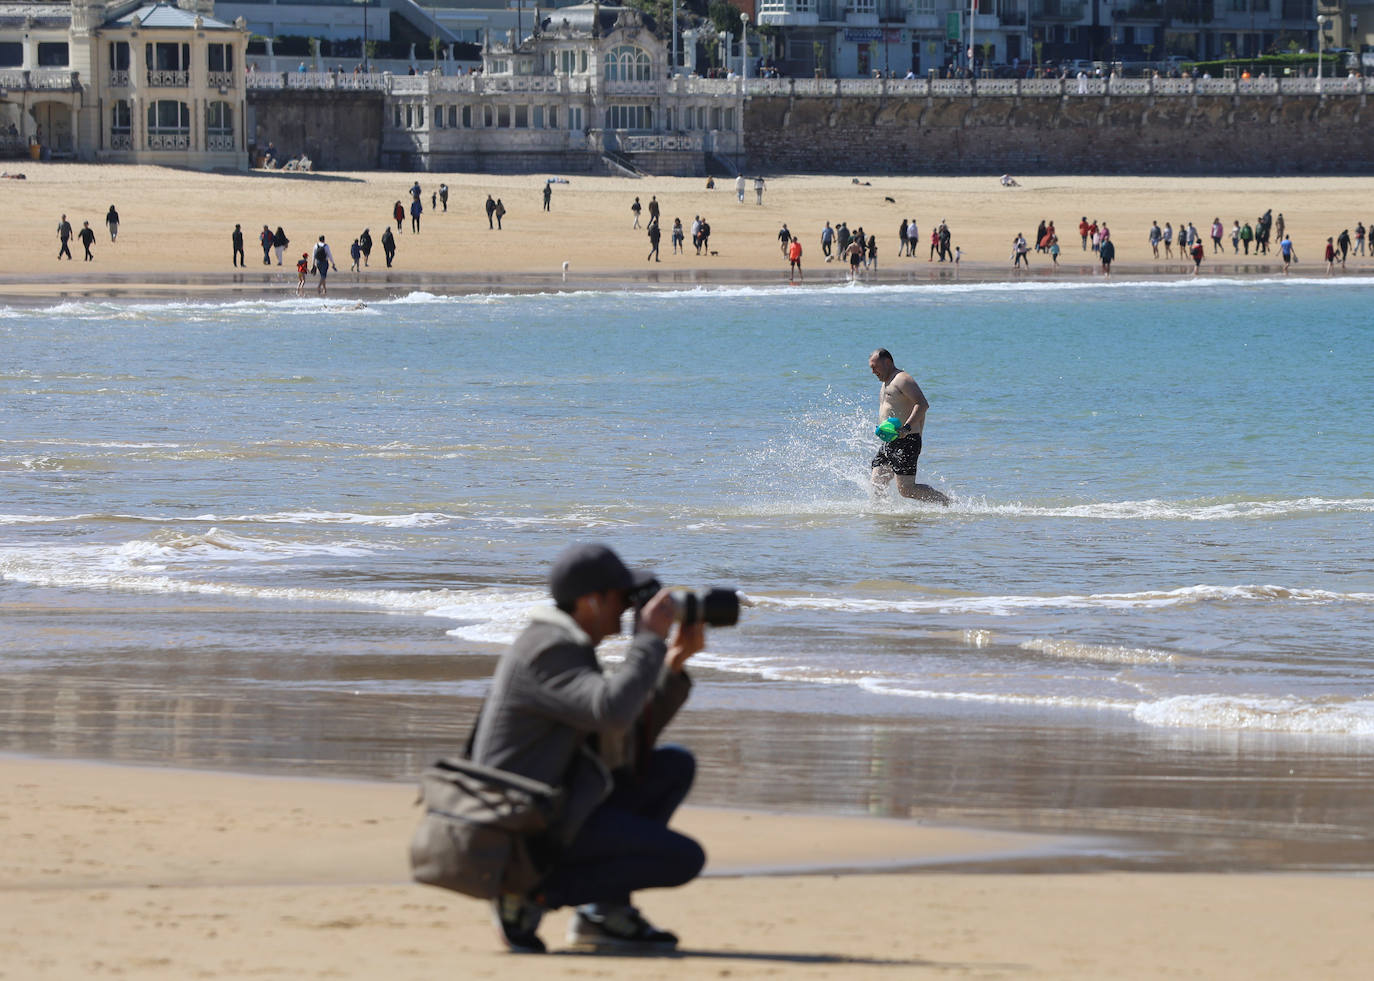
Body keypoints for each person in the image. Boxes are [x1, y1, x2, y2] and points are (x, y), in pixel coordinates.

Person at [472, 543, 706, 954]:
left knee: (671, 768)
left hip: (556, 805)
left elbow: (627, 738)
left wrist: (672, 662)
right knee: (682, 858)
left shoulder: (568, 647)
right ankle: (529, 896)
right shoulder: (548, 651)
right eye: (620, 597)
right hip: (524, 829)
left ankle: (604, 914)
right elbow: (611, 711)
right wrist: (648, 640)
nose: (627, 608)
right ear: (590, 601)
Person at [868, 348, 950, 506]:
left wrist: (906, 429)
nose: (873, 371)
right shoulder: (887, 382)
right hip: (890, 441)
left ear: (888, 362)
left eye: (875, 367)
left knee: (907, 490)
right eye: (871, 368)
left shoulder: (902, 379)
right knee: (877, 483)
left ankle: (947, 503)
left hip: (907, 440)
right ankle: (888, 522)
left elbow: (922, 404)